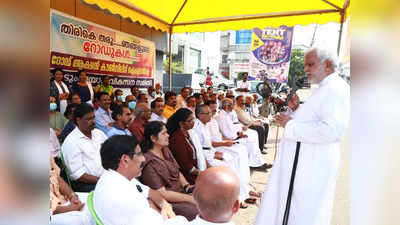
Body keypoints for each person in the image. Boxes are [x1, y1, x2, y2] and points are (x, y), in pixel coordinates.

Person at [255, 48, 350, 225]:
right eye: (306, 64)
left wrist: (290, 125)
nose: (306, 69)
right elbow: (313, 120)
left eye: (310, 64)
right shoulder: (325, 88)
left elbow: (331, 131)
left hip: (311, 167)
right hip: (304, 164)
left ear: (328, 65)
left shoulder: (335, 89)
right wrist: (297, 109)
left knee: (303, 213)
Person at [86, 135, 187, 225]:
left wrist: (164, 205)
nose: (144, 159)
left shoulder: (116, 177)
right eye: (139, 154)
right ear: (125, 159)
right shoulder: (122, 197)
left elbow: (151, 192)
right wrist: (152, 205)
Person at [193, 104, 255, 208]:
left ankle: (243, 193)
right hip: (205, 158)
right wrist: (214, 155)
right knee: (229, 168)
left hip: (210, 152)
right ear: (200, 115)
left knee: (233, 160)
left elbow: (208, 144)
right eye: (208, 113)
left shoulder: (205, 125)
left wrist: (215, 153)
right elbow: (199, 149)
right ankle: (236, 198)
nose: (211, 115)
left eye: (211, 112)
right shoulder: (197, 127)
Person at [140, 121, 199, 221]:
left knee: (206, 194)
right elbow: (162, 193)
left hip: (182, 193)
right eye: (163, 133)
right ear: (153, 138)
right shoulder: (149, 162)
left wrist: (187, 187)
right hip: (170, 201)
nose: (168, 135)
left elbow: (177, 171)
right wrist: (190, 199)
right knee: (197, 210)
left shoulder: (165, 150)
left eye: (167, 132)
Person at [62, 103, 108, 192]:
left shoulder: (99, 134)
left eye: (93, 117)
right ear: (78, 120)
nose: (93, 121)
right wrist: (103, 181)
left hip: (105, 177)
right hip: (86, 185)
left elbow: (112, 153)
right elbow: (78, 175)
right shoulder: (71, 142)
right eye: (88, 119)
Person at [216, 98, 269, 171]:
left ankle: (256, 160)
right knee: (250, 138)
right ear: (226, 106)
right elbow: (226, 132)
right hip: (232, 136)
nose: (233, 107)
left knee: (254, 133)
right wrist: (238, 135)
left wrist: (240, 130)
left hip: (236, 132)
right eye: (232, 105)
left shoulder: (226, 114)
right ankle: (255, 163)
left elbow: (234, 125)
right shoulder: (222, 116)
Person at [167, 108, 207, 184]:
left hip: (196, 170)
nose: (193, 122)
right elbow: (185, 165)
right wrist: (201, 174)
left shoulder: (189, 132)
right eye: (190, 121)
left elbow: (198, 152)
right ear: (181, 123)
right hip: (188, 176)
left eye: (193, 119)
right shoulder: (177, 138)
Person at [50, 157, 88, 225]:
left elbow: (56, 178)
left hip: (62, 201)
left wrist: (72, 196)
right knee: (84, 220)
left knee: (93, 202)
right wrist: (69, 208)